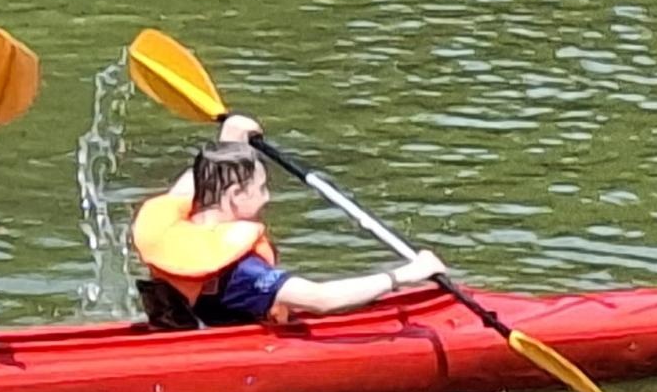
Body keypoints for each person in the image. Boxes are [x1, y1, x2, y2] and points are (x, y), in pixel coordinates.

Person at [131, 114, 446, 329]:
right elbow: (321, 300)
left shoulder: (172, 227)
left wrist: (230, 139)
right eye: (261, 188)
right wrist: (404, 275)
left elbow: (194, 182)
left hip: (185, 328)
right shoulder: (243, 273)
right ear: (235, 195)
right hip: (230, 350)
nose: (267, 198)